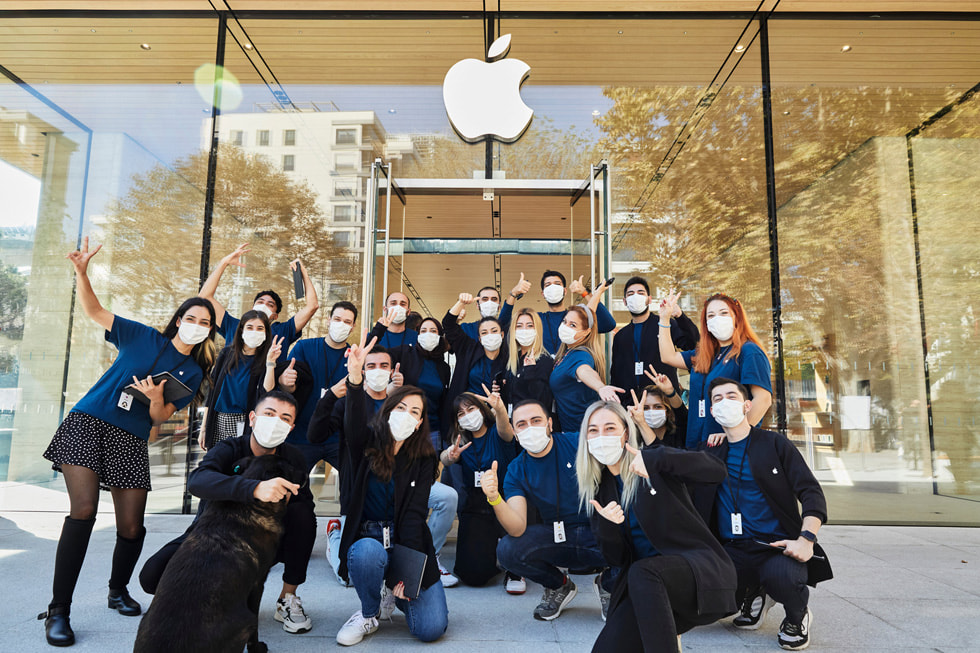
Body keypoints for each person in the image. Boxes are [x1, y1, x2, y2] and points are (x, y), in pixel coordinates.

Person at [39, 238, 214, 647]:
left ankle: (117, 590)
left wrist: (156, 401)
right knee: (82, 511)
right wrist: (82, 272)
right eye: (192, 317)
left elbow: (158, 422)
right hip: (88, 422)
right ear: (178, 320)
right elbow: (95, 311)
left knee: (132, 527)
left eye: (205, 323)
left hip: (130, 438)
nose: (197, 325)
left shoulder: (192, 374)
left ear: (209, 331)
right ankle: (58, 610)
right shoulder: (139, 336)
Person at [138, 390, 317, 635]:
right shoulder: (229, 448)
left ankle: (288, 598)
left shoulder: (293, 457)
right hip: (210, 538)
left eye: (285, 418)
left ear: (291, 427)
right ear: (253, 418)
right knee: (151, 576)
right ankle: (206, 599)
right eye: (270, 413)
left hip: (261, 544)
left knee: (304, 513)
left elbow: (303, 506)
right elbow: (198, 481)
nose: (276, 422)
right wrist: (254, 488)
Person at [578, 400, 737, 652]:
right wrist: (607, 526)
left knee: (643, 572)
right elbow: (617, 558)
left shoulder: (653, 462)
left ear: (625, 433)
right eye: (593, 430)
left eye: (610, 428)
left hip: (697, 575)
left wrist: (658, 457)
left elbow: (715, 471)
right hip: (647, 590)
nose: (601, 436)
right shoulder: (600, 489)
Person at [307, 345, 458, 590]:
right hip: (364, 491)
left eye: (384, 365)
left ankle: (433, 555)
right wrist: (332, 396)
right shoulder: (350, 401)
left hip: (404, 486)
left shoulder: (403, 404)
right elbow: (316, 435)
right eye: (371, 366)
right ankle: (335, 538)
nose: (378, 370)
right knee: (348, 576)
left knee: (447, 496)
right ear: (363, 371)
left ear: (393, 370)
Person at [698, 378, 832, 651]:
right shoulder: (710, 450)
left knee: (784, 580)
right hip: (732, 550)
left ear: (747, 405)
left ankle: (797, 617)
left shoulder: (774, 444)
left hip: (776, 546)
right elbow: (667, 463)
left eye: (731, 396)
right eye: (717, 399)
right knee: (708, 607)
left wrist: (806, 538)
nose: (725, 403)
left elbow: (810, 492)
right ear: (712, 411)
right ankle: (754, 591)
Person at [334, 331, 448, 646]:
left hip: (407, 542)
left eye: (415, 412)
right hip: (368, 538)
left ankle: (392, 593)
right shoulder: (365, 442)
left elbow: (414, 514)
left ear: (421, 421)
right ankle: (369, 613)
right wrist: (355, 380)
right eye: (401, 408)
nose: (407, 415)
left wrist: (406, 573)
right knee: (368, 554)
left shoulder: (425, 457)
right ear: (388, 410)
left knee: (431, 629)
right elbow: (353, 421)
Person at [480, 399, 612, 620]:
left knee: (636, 537)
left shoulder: (578, 443)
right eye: (521, 424)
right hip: (558, 536)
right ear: (513, 430)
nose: (530, 428)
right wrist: (494, 498)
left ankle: (609, 585)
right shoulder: (516, 470)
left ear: (550, 423)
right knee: (508, 550)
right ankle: (559, 586)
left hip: (599, 531)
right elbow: (517, 527)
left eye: (536, 420)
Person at [658, 292, 773, 449]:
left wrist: (736, 435)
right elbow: (668, 356)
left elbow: (763, 399)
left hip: (729, 446)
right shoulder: (704, 354)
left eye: (724, 313)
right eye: (710, 316)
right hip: (697, 444)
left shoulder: (749, 352)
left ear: (736, 317)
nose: (717, 319)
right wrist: (664, 318)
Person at [439, 390, 516, 587]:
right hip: (475, 505)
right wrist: (450, 455)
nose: (467, 416)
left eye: (471, 409)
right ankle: (491, 549)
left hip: (504, 498)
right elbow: (445, 460)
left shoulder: (497, 433)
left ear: (482, 410)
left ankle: (515, 568)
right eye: (461, 414)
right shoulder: (461, 441)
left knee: (511, 540)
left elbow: (506, 430)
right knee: (474, 576)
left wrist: (499, 409)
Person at [198, 242, 319, 361]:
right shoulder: (233, 325)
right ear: (252, 308)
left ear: (275, 316)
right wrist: (224, 263)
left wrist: (304, 275)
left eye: (270, 305)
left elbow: (312, 306)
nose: (263, 305)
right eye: (260, 302)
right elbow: (204, 298)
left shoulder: (282, 331)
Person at [281, 301, 359, 472]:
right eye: (337, 319)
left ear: (353, 327)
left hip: (337, 438)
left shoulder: (354, 358)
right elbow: (287, 390)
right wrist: (284, 381)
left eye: (347, 322)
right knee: (294, 488)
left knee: (354, 482)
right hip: (301, 436)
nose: (341, 325)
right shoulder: (304, 347)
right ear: (328, 320)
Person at [199, 311, 285, 449]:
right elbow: (212, 391)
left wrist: (270, 363)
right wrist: (203, 428)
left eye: (260, 328)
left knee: (238, 465)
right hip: (218, 419)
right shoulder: (226, 354)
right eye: (249, 327)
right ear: (241, 331)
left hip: (245, 421)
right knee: (216, 464)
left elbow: (266, 393)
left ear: (266, 333)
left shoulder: (265, 359)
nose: (254, 332)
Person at [611, 277, 699, 404]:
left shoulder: (664, 324)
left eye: (641, 293)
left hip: (664, 403)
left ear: (649, 299)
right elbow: (616, 374)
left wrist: (679, 316)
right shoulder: (621, 336)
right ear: (625, 301)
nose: (635, 297)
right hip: (631, 406)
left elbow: (693, 345)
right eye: (631, 294)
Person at [501, 271, 616, 355]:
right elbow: (503, 326)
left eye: (557, 284)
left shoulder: (575, 318)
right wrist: (513, 294)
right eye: (548, 285)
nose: (553, 287)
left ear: (565, 291)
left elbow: (608, 325)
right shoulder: (536, 319)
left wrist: (585, 293)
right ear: (543, 293)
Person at [442, 292, 508, 436]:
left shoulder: (508, 358)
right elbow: (448, 324)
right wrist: (461, 303)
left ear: (502, 334)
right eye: (484, 333)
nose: (489, 335)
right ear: (479, 338)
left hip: (495, 420)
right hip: (466, 417)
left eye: (494, 331)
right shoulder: (468, 349)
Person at [549, 304, 623, 432]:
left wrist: (600, 387)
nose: (565, 327)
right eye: (564, 322)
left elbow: (584, 371)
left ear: (586, 332)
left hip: (580, 432)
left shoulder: (581, 355)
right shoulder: (567, 353)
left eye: (573, 325)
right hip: (569, 429)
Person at [499, 307, 554, 414]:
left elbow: (543, 400)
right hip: (513, 419)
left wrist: (531, 371)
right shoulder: (513, 359)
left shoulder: (544, 360)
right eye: (519, 326)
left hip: (530, 421)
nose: (524, 330)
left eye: (530, 326)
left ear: (537, 329)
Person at [626, 372, 689, 450]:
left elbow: (681, 412)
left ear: (667, 411)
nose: (652, 412)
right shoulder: (636, 439)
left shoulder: (680, 432)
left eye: (658, 407)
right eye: (645, 408)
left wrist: (670, 392)